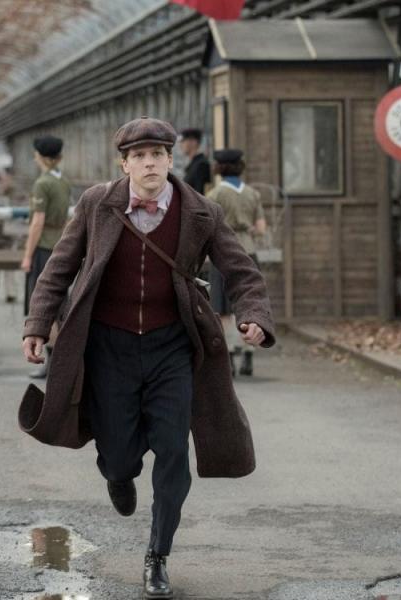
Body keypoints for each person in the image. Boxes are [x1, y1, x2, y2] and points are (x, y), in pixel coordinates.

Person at [20, 117, 274, 599]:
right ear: (124, 163)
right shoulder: (98, 204)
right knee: (117, 454)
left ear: (170, 159)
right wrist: (37, 324)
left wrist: (253, 313)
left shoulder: (201, 211)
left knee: (174, 450)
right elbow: (59, 268)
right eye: (139, 156)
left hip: (171, 347)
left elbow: (241, 269)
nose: (149, 163)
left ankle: (158, 554)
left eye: (157, 154)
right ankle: (118, 474)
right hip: (109, 345)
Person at [206, 149, 267, 377]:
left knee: (222, 309)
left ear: (219, 168)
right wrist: (248, 228)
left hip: (222, 255)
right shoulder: (253, 194)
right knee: (248, 304)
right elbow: (261, 228)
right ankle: (248, 354)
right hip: (249, 252)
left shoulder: (215, 195)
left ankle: (229, 354)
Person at [20, 135, 71, 379]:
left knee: (43, 307)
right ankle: (60, 363)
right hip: (59, 246)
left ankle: (52, 365)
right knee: (59, 307)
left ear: (40, 157)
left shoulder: (42, 184)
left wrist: (27, 256)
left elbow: (37, 222)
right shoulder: (63, 182)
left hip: (43, 249)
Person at [178, 128, 211, 195]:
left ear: (193, 142)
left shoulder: (201, 165)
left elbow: (200, 193)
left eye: (183, 141)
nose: (180, 145)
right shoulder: (194, 164)